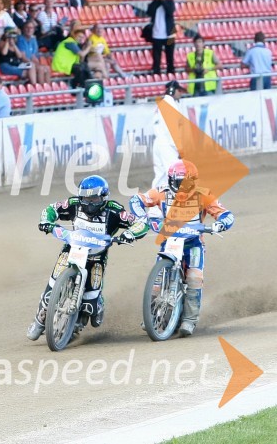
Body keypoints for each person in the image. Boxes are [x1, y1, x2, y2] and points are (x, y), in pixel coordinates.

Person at [26, 176, 148, 341]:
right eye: (85, 198)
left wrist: (129, 234)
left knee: (92, 302)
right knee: (53, 285)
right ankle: (40, 318)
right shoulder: (74, 204)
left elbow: (141, 223)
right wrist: (46, 221)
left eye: (94, 198)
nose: (89, 203)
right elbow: (51, 208)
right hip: (71, 249)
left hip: (97, 257)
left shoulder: (115, 211)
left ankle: (81, 319)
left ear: (104, 198)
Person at [129, 160, 234, 336]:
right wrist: (141, 217)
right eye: (179, 183)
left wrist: (220, 224)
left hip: (193, 244)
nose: (183, 188)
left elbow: (226, 214)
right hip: (169, 241)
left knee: (194, 279)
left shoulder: (204, 195)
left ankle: (189, 320)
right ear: (171, 180)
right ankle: (152, 315)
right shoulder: (161, 192)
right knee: (157, 281)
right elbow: (136, 199)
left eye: (188, 184)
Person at [152, 80, 185, 189]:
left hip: (158, 142)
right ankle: (174, 202)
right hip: (167, 144)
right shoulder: (170, 103)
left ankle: (153, 204)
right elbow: (172, 128)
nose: (181, 93)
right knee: (174, 174)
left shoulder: (162, 102)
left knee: (160, 175)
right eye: (179, 90)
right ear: (173, 90)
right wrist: (179, 147)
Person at [148, 0, 176, 75]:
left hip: (170, 33)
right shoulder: (153, 3)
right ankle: (156, 72)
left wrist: (163, 0)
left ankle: (170, 72)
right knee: (156, 56)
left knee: (170, 55)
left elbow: (170, 11)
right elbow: (149, 12)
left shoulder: (170, 2)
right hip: (157, 33)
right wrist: (156, 0)